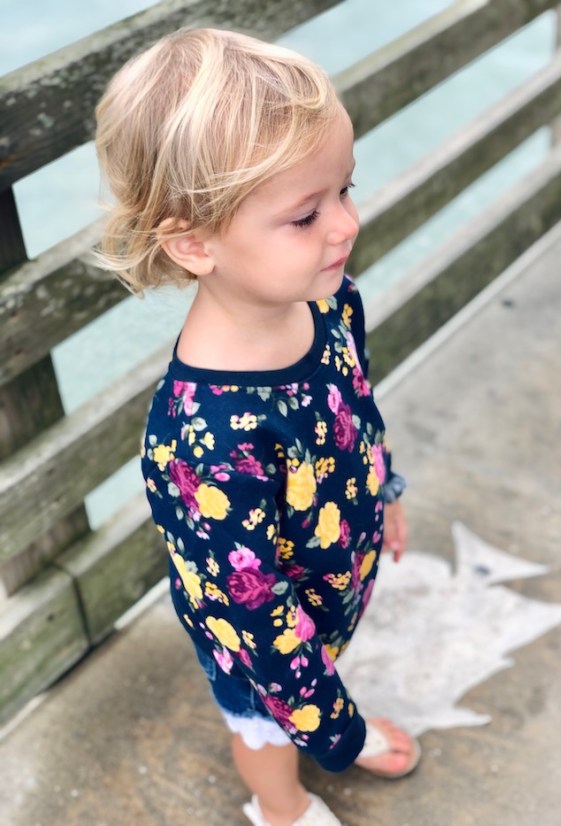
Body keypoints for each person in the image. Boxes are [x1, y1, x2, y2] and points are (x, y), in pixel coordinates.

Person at [95, 27, 419, 826]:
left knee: (313, 675)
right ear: (195, 242)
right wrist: (336, 732)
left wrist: (386, 491)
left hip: (330, 577)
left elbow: (355, 402)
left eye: (344, 189)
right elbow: (251, 618)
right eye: (305, 214)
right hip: (260, 639)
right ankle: (282, 805)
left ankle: (324, 711)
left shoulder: (327, 300)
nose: (345, 225)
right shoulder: (202, 438)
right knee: (267, 725)